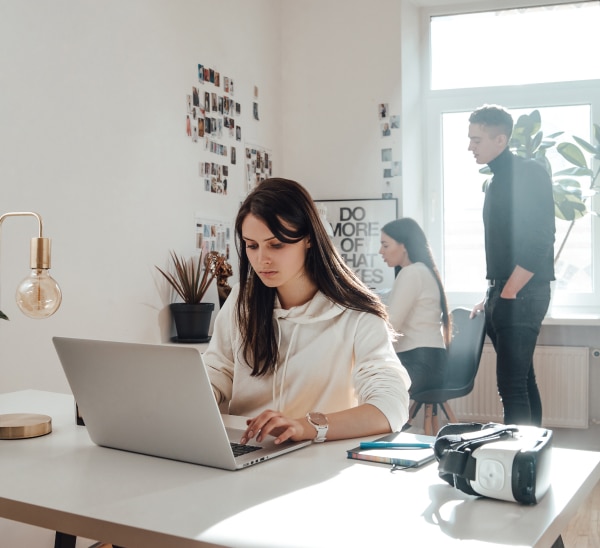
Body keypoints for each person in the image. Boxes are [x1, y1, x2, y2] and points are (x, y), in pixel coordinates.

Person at [203, 178, 411, 446]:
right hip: (244, 448)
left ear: (309, 240)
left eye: (276, 244)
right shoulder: (242, 299)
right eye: (252, 245)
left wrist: (306, 426)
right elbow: (217, 370)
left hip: (313, 457)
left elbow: (390, 407)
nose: (261, 259)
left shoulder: (358, 315)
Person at [467, 104, 555, 426]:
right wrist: (490, 295)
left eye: (476, 140)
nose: (470, 147)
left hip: (523, 293)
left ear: (500, 139)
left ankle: (516, 466)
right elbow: (505, 249)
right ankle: (530, 462)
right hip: (505, 292)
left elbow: (541, 238)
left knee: (511, 385)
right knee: (522, 380)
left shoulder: (530, 173)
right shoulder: (493, 183)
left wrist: (508, 293)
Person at [379, 218, 451, 396]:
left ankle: (402, 425)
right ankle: (403, 425)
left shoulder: (411, 273)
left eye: (385, 245)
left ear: (403, 245)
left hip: (419, 362)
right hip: (432, 363)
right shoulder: (423, 270)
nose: (380, 251)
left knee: (367, 385)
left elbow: (391, 326)